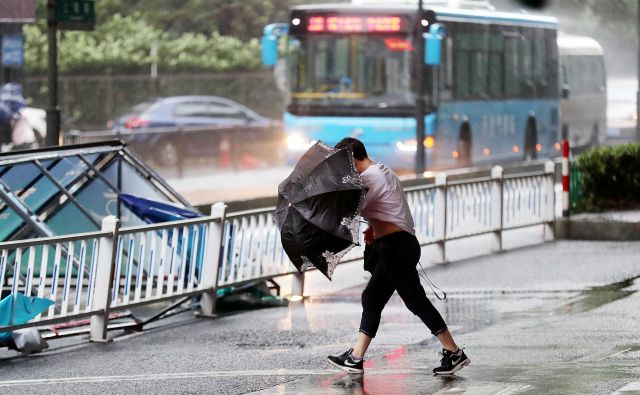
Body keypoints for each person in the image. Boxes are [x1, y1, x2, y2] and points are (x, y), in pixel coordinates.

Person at [327, 137, 469, 376]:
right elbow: (382, 210)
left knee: (415, 301)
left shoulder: (370, 178)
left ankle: (454, 353)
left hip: (396, 247)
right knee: (372, 297)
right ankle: (356, 358)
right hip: (396, 245)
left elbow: (349, 210)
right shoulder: (382, 170)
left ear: (352, 158)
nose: (344, 169)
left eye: (344, 163)